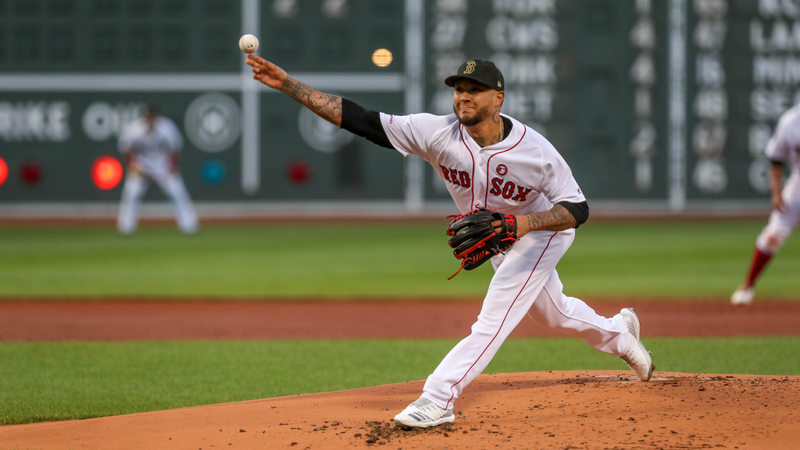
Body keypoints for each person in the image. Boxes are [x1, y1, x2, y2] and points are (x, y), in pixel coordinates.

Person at [246, 55, 655, 428]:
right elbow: (362, 120)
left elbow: (578, 209)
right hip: (499, 236)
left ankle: (438, 397)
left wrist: (523, 223)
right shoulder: (437, 133)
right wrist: (289, 85)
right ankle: (620, 332)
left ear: (499, 98)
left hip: (541, 231)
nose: (463, 97)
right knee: (551, 313)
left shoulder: (535, 151)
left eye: (474, 90)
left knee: (495, 315)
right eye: (459, 89)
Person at [731, 104, 800, 305]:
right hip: (798, 184)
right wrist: (777, 193)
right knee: (772, 235)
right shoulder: (790, 122)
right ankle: (747, 286)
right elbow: (776, 159)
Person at [116, 105, 198, 235]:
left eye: (152, 117)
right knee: (131, 193)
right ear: (143, 117)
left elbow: (176, 148)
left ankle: (189, 225)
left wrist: (172, 167)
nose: (150, 120)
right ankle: (126, 227)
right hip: (141, 167)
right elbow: (125, 150)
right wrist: (132, 167)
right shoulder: (133, 129)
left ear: (156, 117)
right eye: (147, 117)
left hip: (162, 166)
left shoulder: (167, 127)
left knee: (178, 191)